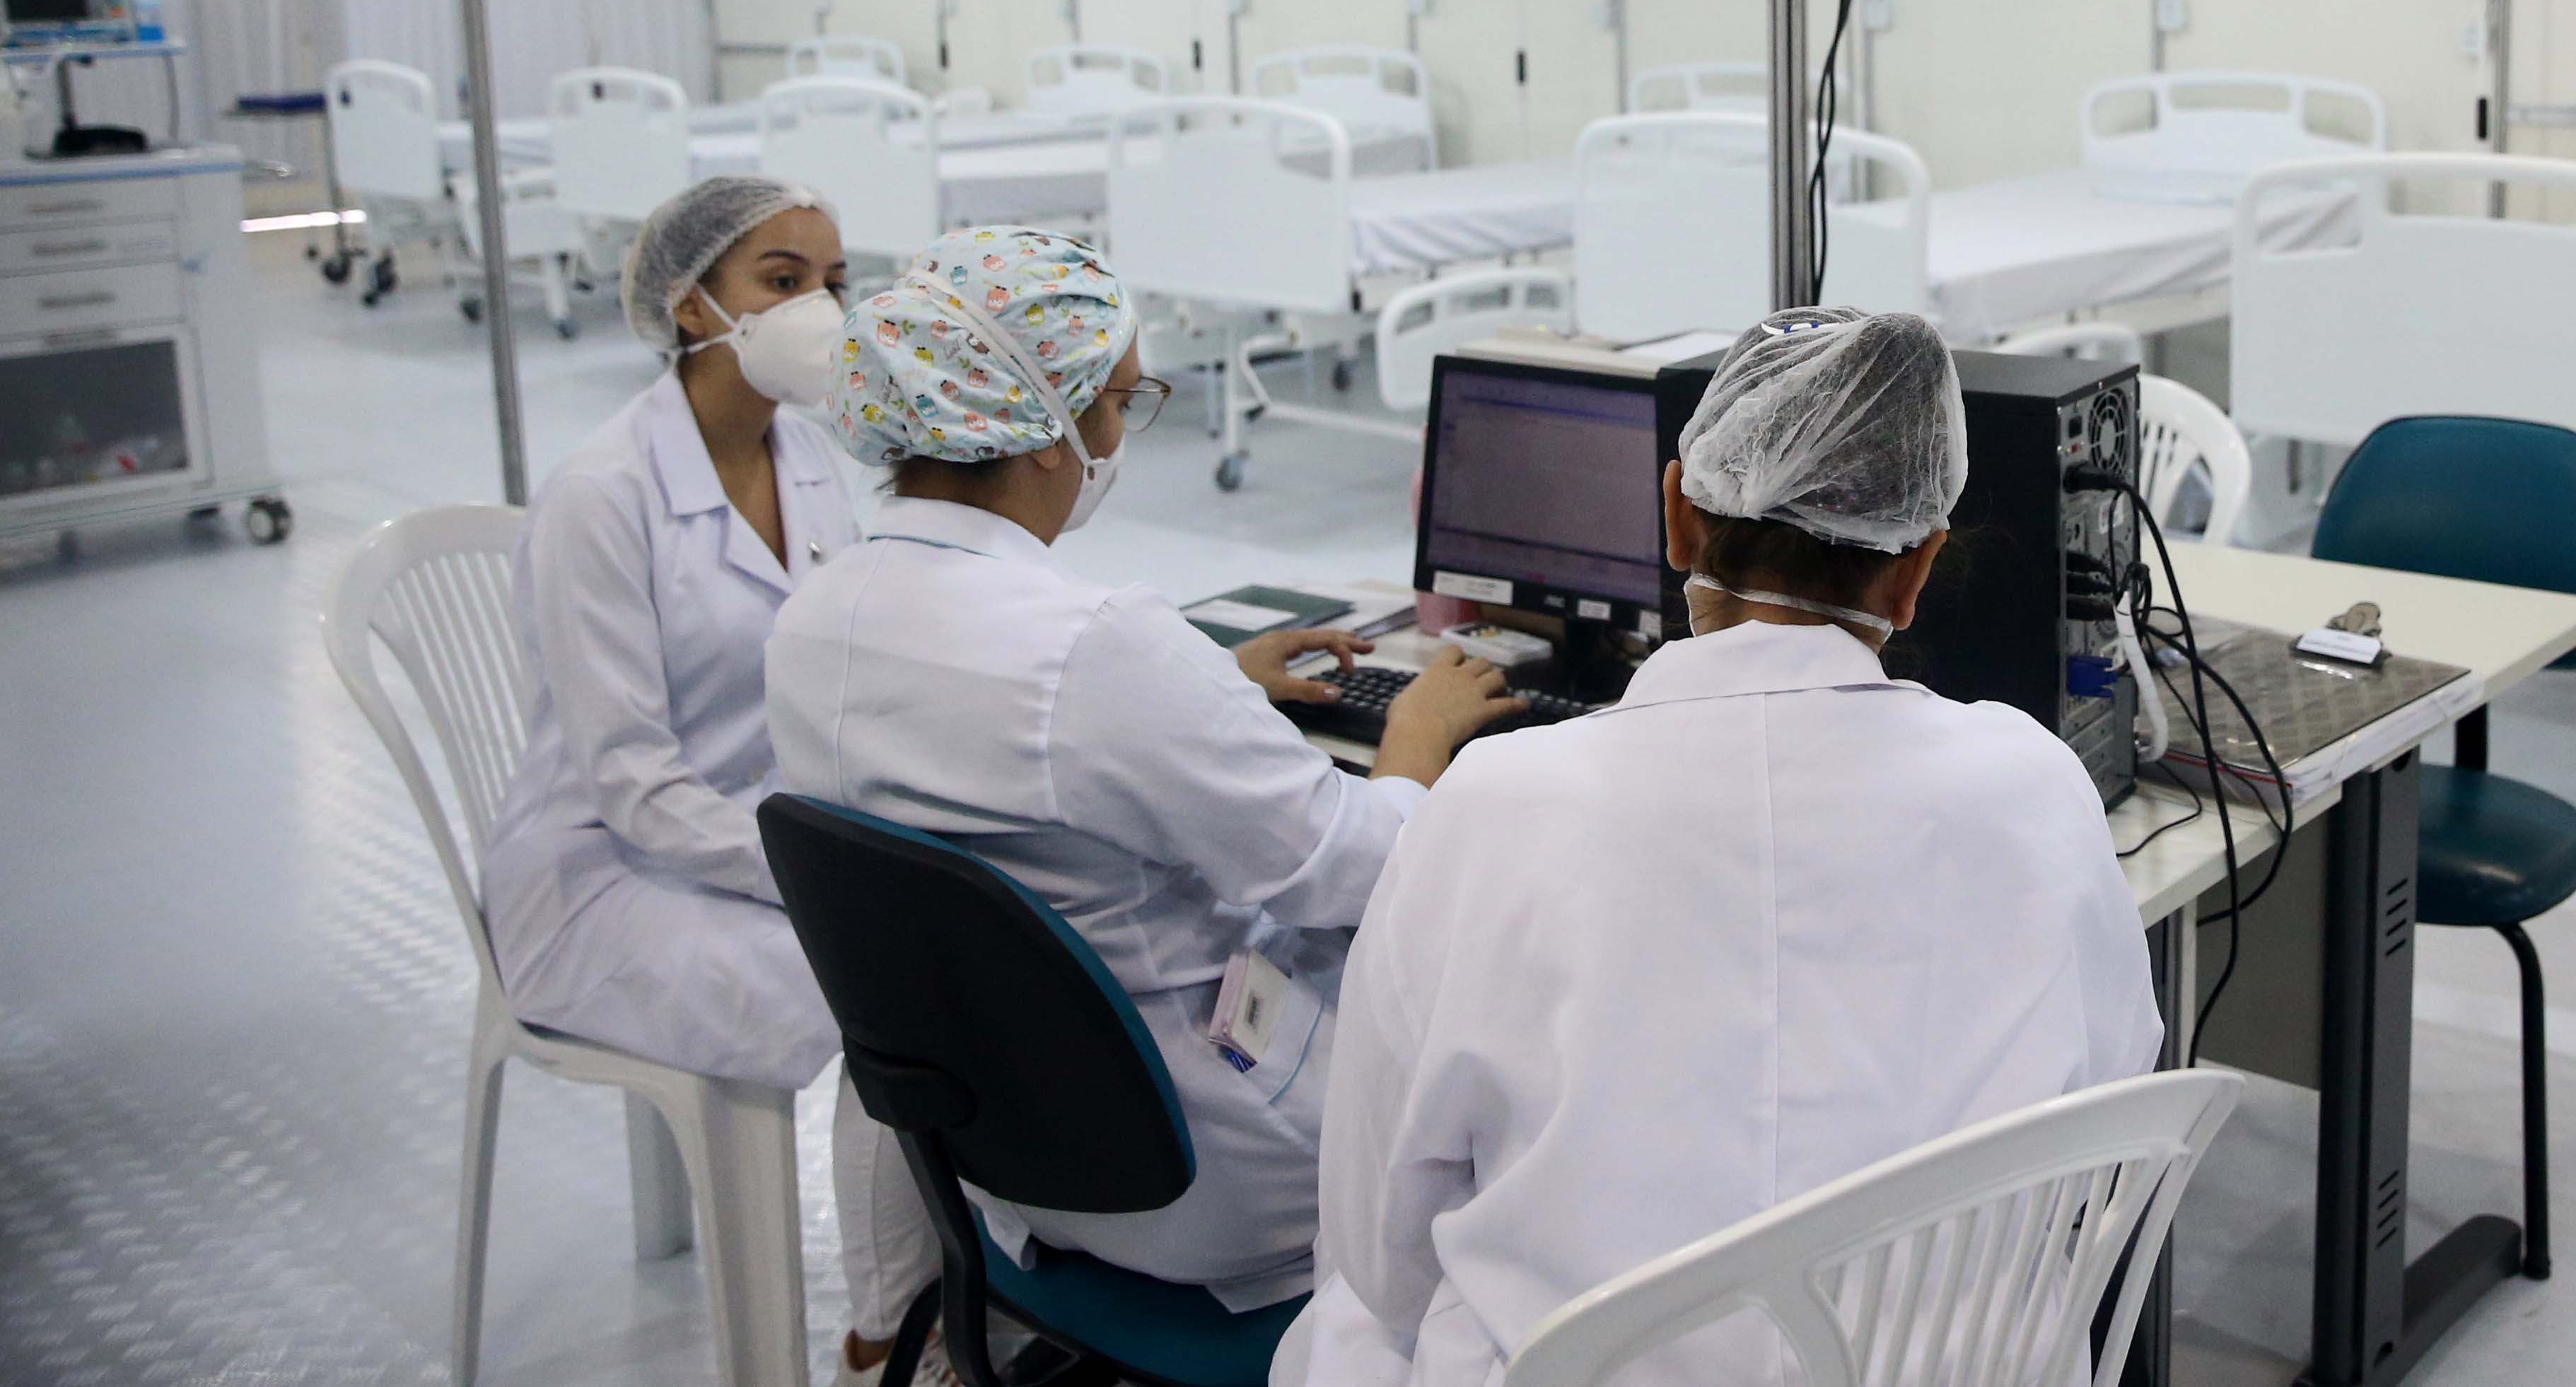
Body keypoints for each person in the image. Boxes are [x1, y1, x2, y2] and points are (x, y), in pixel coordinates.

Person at [1290, 308, 2164, 1387]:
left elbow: (1384, 1242)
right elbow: (2108, 1114)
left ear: (1674, 516)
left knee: (1343, 1324)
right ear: (1917, 569)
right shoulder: (2037, 785)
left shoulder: (1494, 805)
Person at [766, 227, 1522, 1322]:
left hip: (1017, 1160)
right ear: (1039, 429)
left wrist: (1206, 690)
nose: (1120, 436)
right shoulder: (1097, 649)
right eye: (1119, 402)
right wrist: (1414, 734)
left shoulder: (815, 619)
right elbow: (1353, 869)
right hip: (1219, 1176)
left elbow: (1008, 749)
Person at [477, 175, 936, 1383]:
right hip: (601, 874)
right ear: (690, 306)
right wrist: (818, 876)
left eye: (834, 282)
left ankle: (942, 1297)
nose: (822, 310)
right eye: (781, 282)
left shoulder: (815, 460)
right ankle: (882, 1334)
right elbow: (632, 781)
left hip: (760, 831)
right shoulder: (602, 494)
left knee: (968, 943)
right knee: (893, 977)